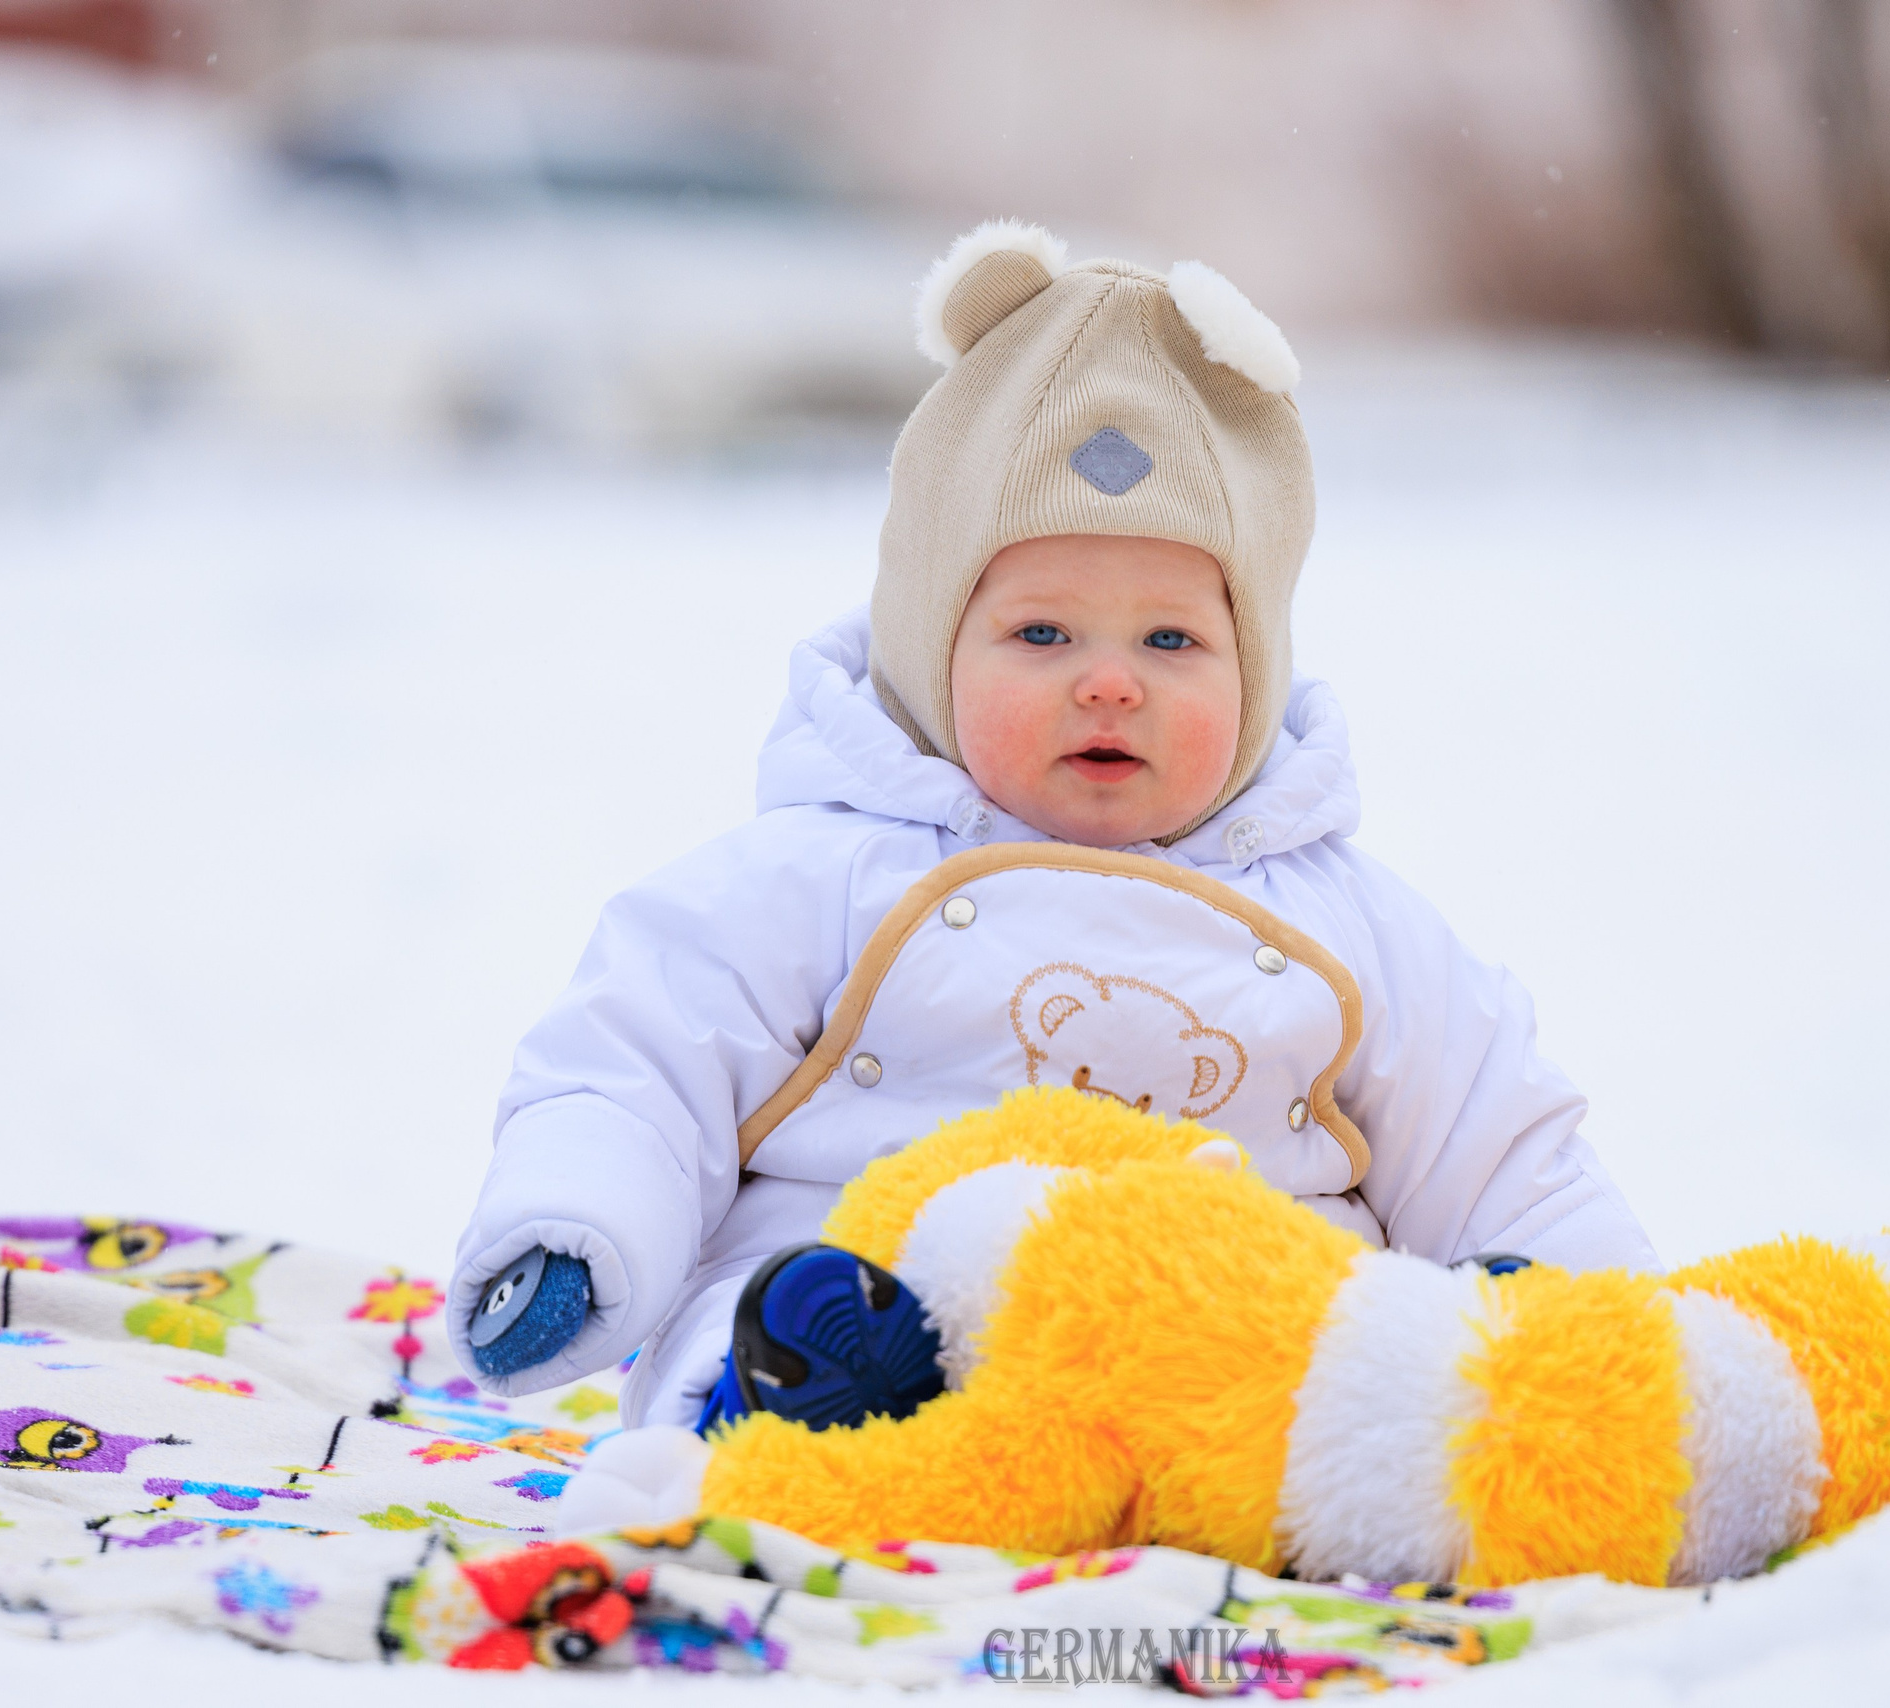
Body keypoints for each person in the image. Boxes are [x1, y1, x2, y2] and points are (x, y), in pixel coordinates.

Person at [446, 221, 1659, 1446]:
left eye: (1171, 641)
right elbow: (638, 1064)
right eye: (1042, 635)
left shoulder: (1336, 917)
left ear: (1254, 667)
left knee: (1343, 1361)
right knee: (780, 1326)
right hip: (875, 1308)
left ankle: (1442, 1397)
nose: (1110, 683)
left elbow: (1495, 1137)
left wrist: (1600, 1316)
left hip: (1224, 1362)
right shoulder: (824, 874)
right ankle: (774, 1408)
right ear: (931, 645)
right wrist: (575, 1227)